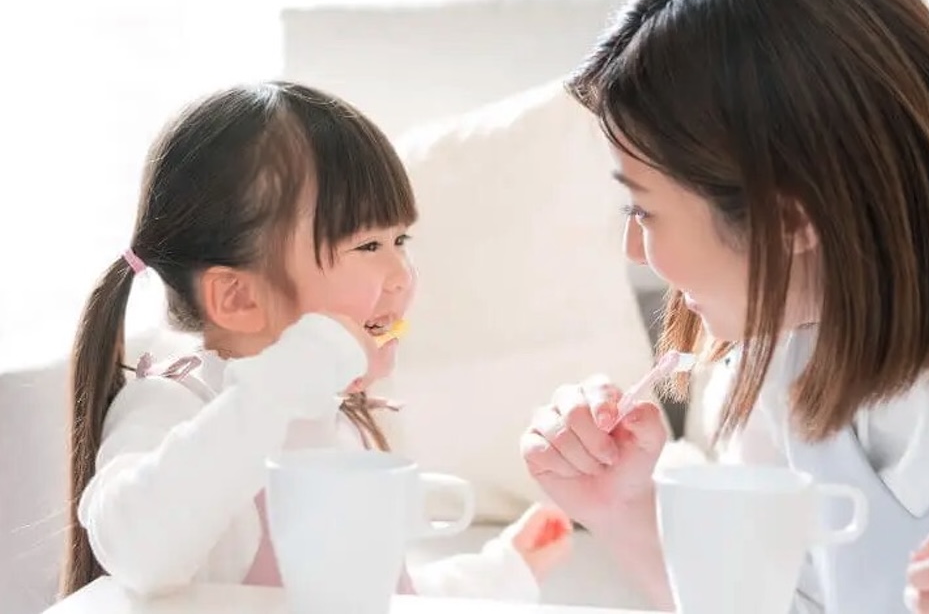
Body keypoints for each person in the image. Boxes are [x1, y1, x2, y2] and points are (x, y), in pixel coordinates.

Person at [520, 0, 929, 612]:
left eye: (643, 211)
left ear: (788, 221)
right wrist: (621, 510)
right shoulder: (784, 361)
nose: (634, 249)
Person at [63, 81, 571, 601]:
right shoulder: (175, 404)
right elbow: (136, 551)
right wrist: (289, 377)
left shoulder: (335, 422)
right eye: (367, 245)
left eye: (400, 240)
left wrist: (503, 571)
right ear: (238, 297)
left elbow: (373, 595)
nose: (402, 275)